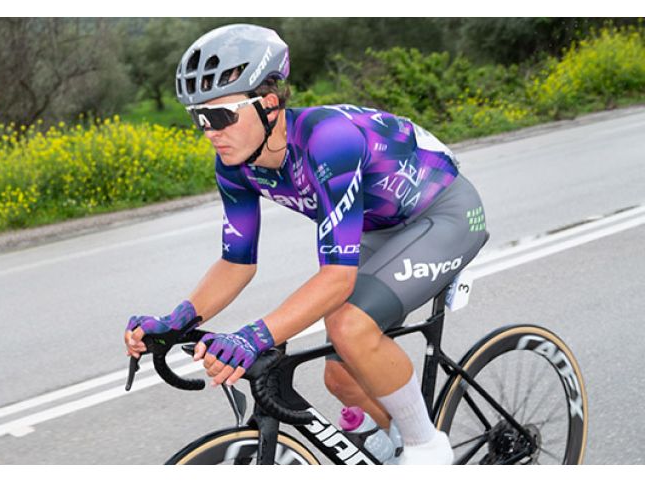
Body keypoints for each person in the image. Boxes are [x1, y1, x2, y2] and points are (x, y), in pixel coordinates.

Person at [124, 23, 489, 465]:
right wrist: (176, 321)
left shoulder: (328, 142)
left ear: (269, 105)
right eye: (199, 118)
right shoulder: (235, 166)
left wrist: (253, 337)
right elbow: (236, 263)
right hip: (378, 228)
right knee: (341, 378)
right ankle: (398, 447)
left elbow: (337, 279)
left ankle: (428, 449)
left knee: (349, 327)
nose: (209, 132)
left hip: (444, 214)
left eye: (220, 117)